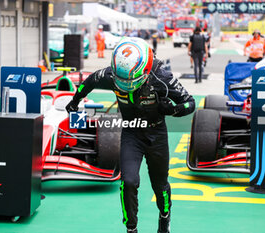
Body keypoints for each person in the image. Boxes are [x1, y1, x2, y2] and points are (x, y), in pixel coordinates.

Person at [65, 37, 195, 233]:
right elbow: (90, 80)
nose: (124, 84)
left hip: (156, 134)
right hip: (131, 132)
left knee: (160, 186)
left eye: (129, 81)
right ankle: (131, 229)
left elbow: (190, 103)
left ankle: (164, 217)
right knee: (128, 182)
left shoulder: (162, 77)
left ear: (144, 70)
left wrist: (173, 109)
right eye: (121, 80)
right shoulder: (111, 74)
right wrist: (75, 101)